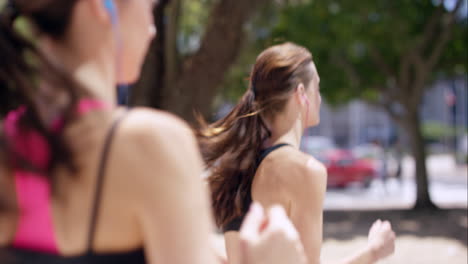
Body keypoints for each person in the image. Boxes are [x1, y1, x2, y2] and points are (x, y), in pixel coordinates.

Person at [0, 1, 307, 263]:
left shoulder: (7, 143)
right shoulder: (151, 145)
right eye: (149, 5)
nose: (152, 26)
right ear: (99, 7)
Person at [197, 42, 396, 264]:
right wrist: (373, 252)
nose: (320, 99)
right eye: (317, 88)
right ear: (301, 93)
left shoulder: (238, 165)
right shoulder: (305, 170)